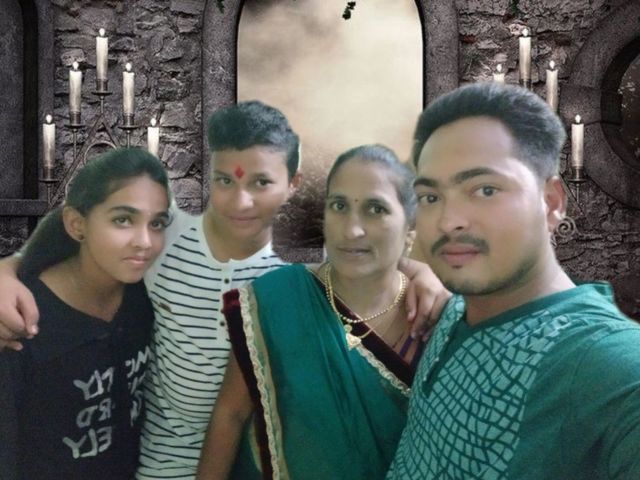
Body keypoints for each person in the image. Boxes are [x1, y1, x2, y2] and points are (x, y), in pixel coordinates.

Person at [0, 102, 445, 479]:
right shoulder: (161, 240)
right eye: (225, 180)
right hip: (153, 469)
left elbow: (361, 261)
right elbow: (83, 233)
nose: (240, 201)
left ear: (292, 185)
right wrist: (7, 270)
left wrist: (418, 269)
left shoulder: (286, 280)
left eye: (260, 182)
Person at [387, 83, 640, 479]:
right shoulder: (455, 309)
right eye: (431, 197)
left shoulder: (605, 362)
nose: (448, 221)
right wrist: (417, 270)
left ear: (551, 203)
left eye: (485, 189)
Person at [196, 144, 447, 480]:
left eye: (375, 209)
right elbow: (230, 414)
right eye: (339, 206)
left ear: (409, 231)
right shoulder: (280, 299)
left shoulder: (438, 318)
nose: (351, 230)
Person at [0, 148, 171, 480]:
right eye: (123, 220)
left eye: (157, 223)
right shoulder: (21, 319)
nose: (145, 242)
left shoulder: (144, 295)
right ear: (77, 225)